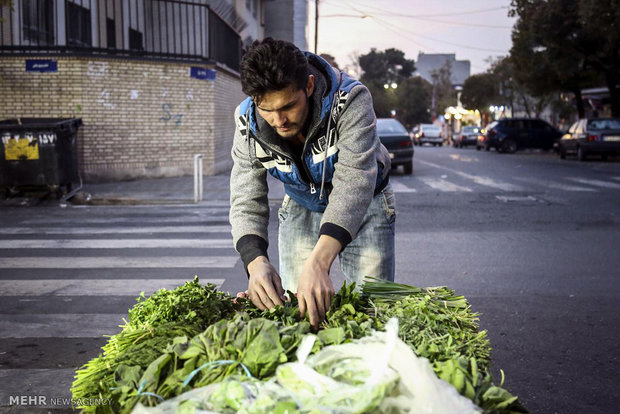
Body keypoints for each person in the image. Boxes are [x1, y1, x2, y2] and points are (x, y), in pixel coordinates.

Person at [229, 37, 395, 329]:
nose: (279, 120)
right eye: (267, 109)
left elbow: (354, 181)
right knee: (301, 314)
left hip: (364, 203)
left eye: (289, 106)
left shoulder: (351, 99)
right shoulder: (246, 122)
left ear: (308, 86)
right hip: (301, 203)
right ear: (255, 100)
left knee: (374, 315)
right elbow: (245, 196)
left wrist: (319, 263)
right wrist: (255, 262)